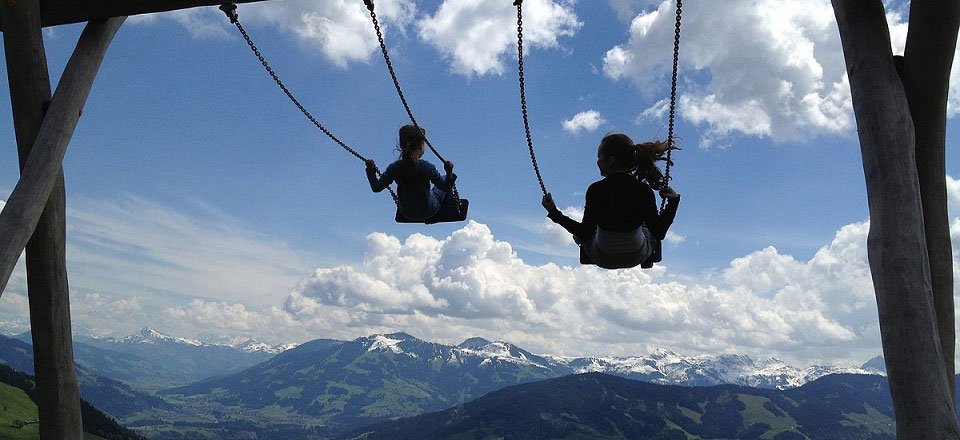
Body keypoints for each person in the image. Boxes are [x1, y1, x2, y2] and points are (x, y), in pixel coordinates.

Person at [542, 133, 680, 269]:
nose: (597, 161)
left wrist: (554, 213)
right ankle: (648, 258)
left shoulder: (596, 190)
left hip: (602, 257)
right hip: (636, 256)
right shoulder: (643, 190)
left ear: (611, 160)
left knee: (580, 234)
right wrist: (673, 202)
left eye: (599, 157)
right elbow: (659, 233)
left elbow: (585, 233)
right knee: (646, 227)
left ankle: (588, 251)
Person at [366, 125, 456, 221]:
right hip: (429, 210)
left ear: (401, 145)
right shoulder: (426, 167)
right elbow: (446, 187)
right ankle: (449, 208)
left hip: (406, 212)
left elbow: (376, 188)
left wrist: (370, 171)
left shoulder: (394, 168)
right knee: (444, 178)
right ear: (421, 146)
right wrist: (449, 171)